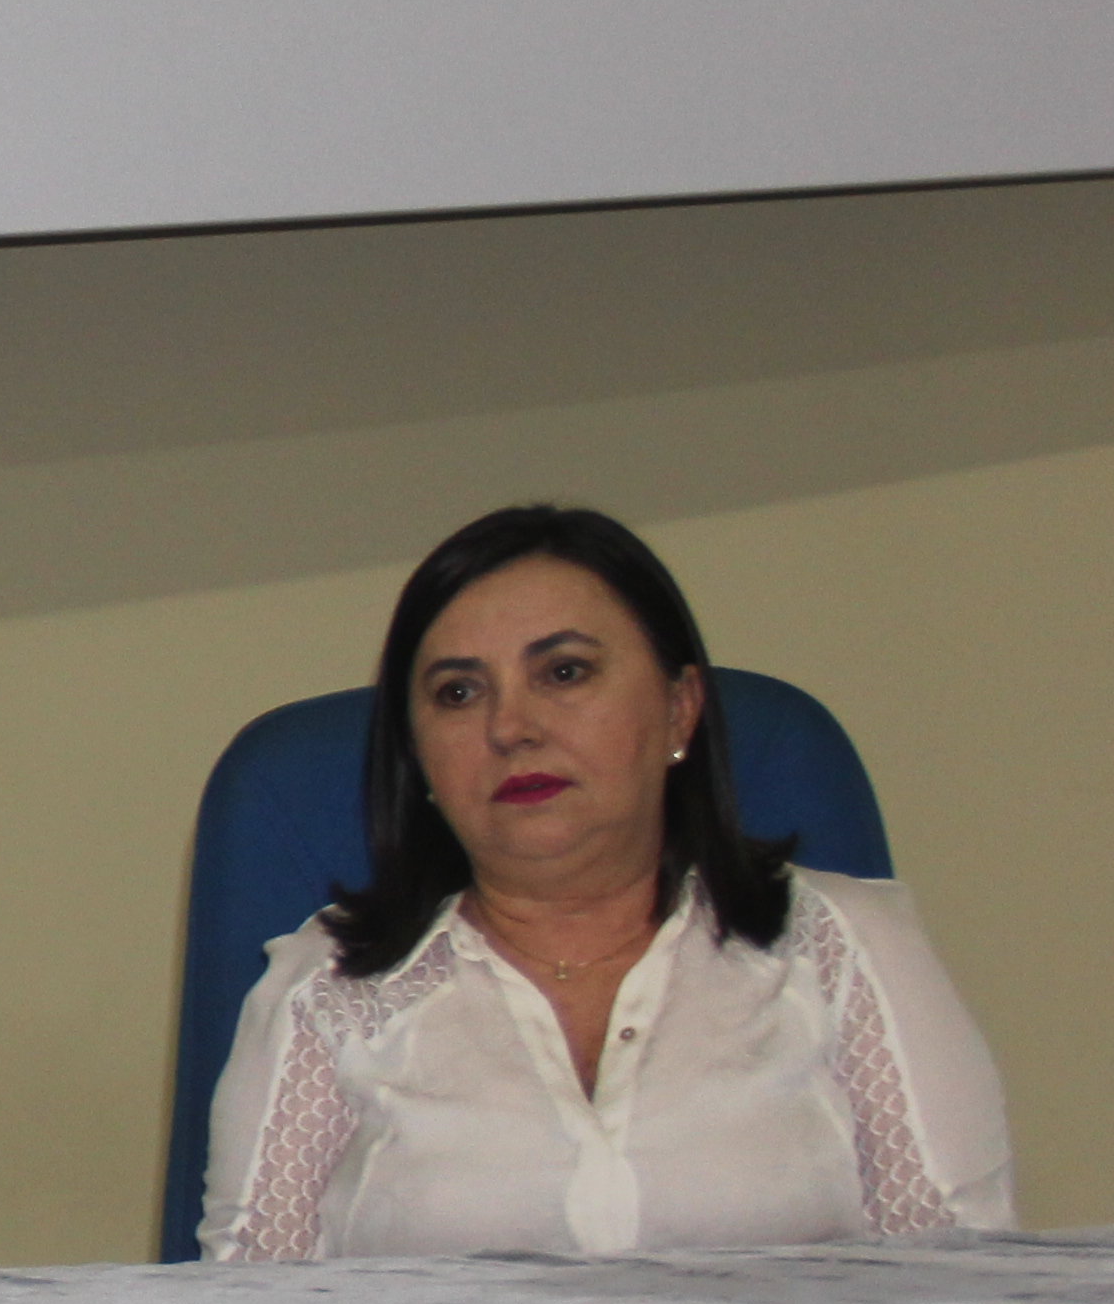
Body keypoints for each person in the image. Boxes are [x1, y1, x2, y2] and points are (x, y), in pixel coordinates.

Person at [201, 503, 1008, 1260]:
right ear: (419, 762)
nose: (511, 727)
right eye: (458, 692)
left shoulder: (849, 950)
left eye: (564, 673)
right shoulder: (328, 992)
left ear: (680, 710)